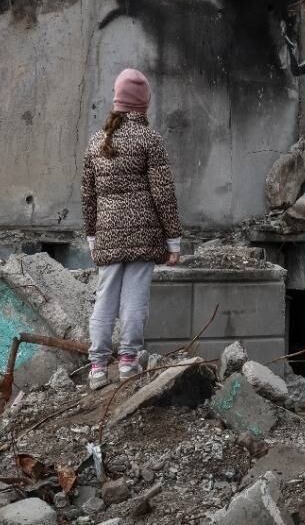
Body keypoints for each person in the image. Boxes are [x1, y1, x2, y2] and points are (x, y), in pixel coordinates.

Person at [82, 68, 182, 390]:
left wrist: (92, 238)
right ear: (144, 104)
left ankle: (97, 366)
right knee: (135, 297)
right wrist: (174, 242)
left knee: (104, 297)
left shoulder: (98, 141)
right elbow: (163, 192)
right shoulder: (150, 139)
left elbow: (88, 196)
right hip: (143, 234)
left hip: (107, 233)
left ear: (116, 100)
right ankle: (128, 360)